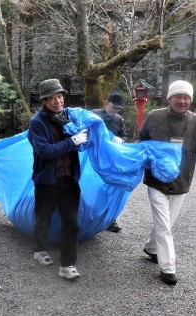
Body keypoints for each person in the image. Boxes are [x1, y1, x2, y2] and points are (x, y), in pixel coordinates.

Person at [138, 80, 196, 285]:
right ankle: (168, 268)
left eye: (186, 97)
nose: (182, 101)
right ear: (169, 98)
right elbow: (141, 140)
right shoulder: (154, 117)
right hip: (156, 180)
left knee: (166, 223)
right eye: (178, 96)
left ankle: (151, 248)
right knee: (163, 223)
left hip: (181, 181)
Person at [27, 79, 88, 279]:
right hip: (47, 181)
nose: (57, 101)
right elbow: (44, 151)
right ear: (44, 100)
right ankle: (39, 249)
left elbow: (92, 126)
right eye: (52, 98)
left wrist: (108, 139)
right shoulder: (37, 122)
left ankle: (67, 265)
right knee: (42, 219)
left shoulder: (68, 117)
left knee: (72, 222)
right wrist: (71, 142)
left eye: (60, 96)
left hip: (69, 179)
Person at [92, 91, 127, 233]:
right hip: (92, 158)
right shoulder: (94, 114)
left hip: (110, 160)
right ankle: (88, 218)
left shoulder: (119, 120)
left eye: (118, 109)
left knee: (111, 189)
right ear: (107, 102)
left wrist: (120, 141)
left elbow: (123, 136)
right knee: (92, 188)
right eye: (114, 107)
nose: (116, 111)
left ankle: (111, 220)